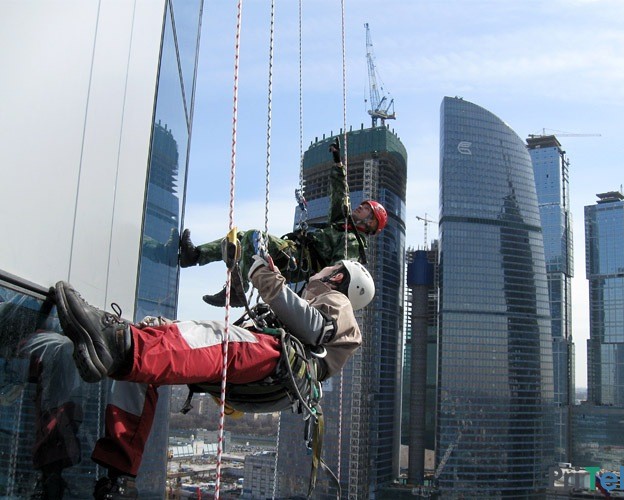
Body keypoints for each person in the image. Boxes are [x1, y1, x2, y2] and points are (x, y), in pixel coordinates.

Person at [51, 255, 374, 499]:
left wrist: (265, 276)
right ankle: (118, 474)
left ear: (338, 276)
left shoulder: (337, 300)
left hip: (276, 363)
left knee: (214, 334)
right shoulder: (316, 300)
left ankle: (120, 346)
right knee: (156, 343)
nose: (320, 271)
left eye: (329, 268)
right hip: (265, 374)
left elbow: (316, 329)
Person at [179, 140, 388, 307]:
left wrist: (313, 293)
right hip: (295, 252)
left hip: (299, 261)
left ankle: (237, 290)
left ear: (370, 222)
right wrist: (337, 165)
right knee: (242, 238)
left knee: (254, 238)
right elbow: (340, 197)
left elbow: (336, 270)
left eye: (366, 208)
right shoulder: (342, 225)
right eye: (362, 204)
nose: (360, 207)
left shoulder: (351, 242)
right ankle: (196, 255)